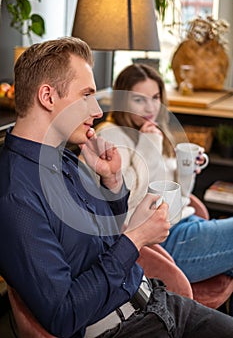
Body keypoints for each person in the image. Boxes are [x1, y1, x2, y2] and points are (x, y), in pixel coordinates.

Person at [0, 37, 233, 338]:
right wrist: (135, 240)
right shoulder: (15, 195)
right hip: (126, 329)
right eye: (86, 95)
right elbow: (64, 314)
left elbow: (104, 233)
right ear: (47, 96)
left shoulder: (65, 157)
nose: (97, 110)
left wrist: (113, 184)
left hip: (159, 303)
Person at [96, 63, 233, 284]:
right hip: (159, 244)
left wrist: (187, 171)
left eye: (155, 97)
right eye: (139, 99)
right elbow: (127, 201)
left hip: (182, 224)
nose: (150, 107)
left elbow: (181, 197)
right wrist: (149, 146)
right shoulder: (112, 135)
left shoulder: (155, 131)